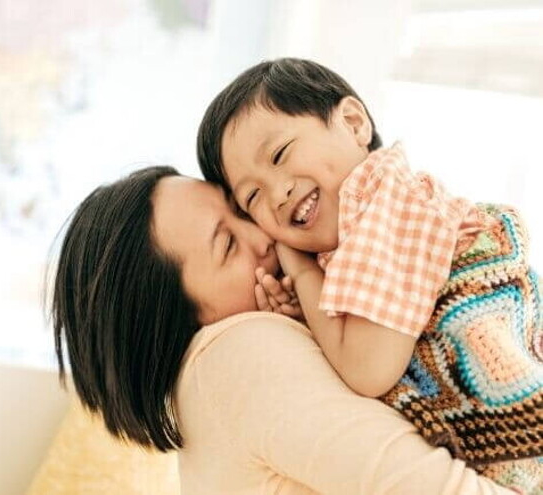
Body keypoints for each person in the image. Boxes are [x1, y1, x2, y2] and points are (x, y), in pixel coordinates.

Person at [49, 164, 514, 494]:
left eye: (240, 208)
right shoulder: (235, 355)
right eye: (229, 244)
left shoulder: (213, 392)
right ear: (172, 321)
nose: (264, 233)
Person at [197, 57, 543, 493]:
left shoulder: (384, 205)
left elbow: (368, 368)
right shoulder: (352, 241)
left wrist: (304, 276)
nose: (278, 191)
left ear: (354, 123)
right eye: (253, 196)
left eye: (280, 155)